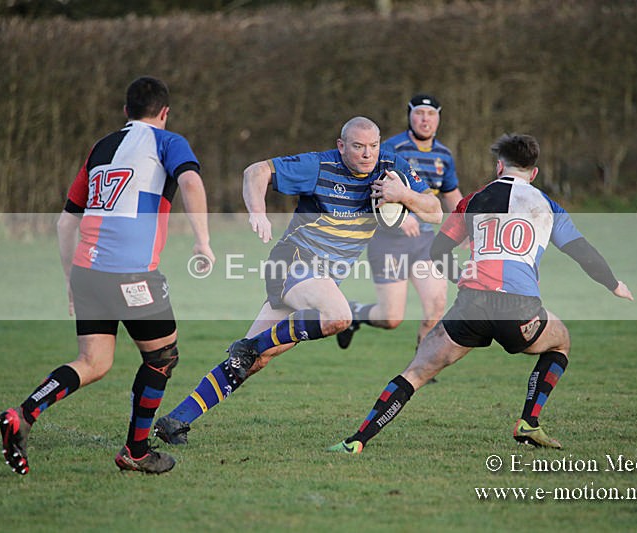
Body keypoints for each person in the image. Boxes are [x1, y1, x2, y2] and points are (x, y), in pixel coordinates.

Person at [328, 133, 633, 454]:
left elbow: (437, 251)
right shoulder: (547, 206)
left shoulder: (472, 200)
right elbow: (583, 252)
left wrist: (461, 277)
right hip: (517, 308)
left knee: (416, 371)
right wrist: (614, 284)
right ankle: (529, 420)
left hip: (470, 305)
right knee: (561, 341)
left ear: (499, 166)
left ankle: (357, 441)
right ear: (534, 173)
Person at [153, 116, 443, 445]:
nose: (367, 154)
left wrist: (404, 193)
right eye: (358, 146)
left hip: (321, 278)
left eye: (373, 146)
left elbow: (434, 211)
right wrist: (257, 210)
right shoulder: (319, 165)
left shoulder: (393, 168)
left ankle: (176, 420)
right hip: (293, 261)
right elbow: (256, 171)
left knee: (252, 362)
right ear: (341, 146)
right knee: (338, 316)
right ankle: (248, 347)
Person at [0, 76, 215, 475]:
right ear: (164, 112)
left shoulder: (101, 147)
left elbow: (66, 223)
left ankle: (22, 415)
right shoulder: (168, 141)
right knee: (162, 357)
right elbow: (190, 180)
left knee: (93, 361)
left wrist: (70, 281)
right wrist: (203, 240)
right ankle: (135, 450)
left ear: (125, 112)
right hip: (130, 273)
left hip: (87, 271)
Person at [337, 94, 462, 355]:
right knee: (391, 318)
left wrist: (468, 227)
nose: (425, 119)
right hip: (388, 241)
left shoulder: (444, 155)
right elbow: (371, 188)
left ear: (439, 118)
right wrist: (401, 217)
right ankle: (354, 313)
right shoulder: (392, 149)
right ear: (410, 116)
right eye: (419, 113)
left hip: (425, 241)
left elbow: (451, 195)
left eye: (431, 114)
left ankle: (424, 362)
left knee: (437, 304)